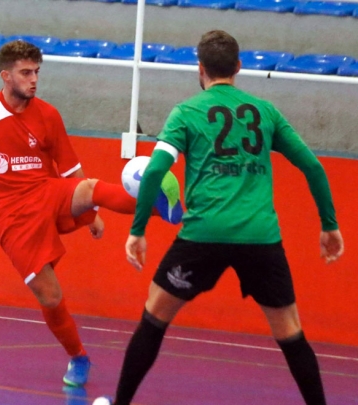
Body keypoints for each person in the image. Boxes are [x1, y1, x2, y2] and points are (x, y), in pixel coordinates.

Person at [93, 30, 344, 405]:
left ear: (200, 69)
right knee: (290, 333)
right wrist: (329, 224)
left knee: (154, 318)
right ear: (239, 66)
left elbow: (157, 169)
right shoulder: (265, 112)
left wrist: (138, 229)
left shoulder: (187, 113)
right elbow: (312, 166)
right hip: (260, 237)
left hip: (203, 235)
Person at [0, 40, 182, 388]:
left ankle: (158, 205)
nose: (34, 79)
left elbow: (70, 172)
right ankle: (78, 357)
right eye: (25, 73)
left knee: (90, 187)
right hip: (11, 216)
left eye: (37, 72)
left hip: (45, 191)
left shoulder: (48, 115)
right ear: (5, 76)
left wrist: (90, 214)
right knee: (50, 296)